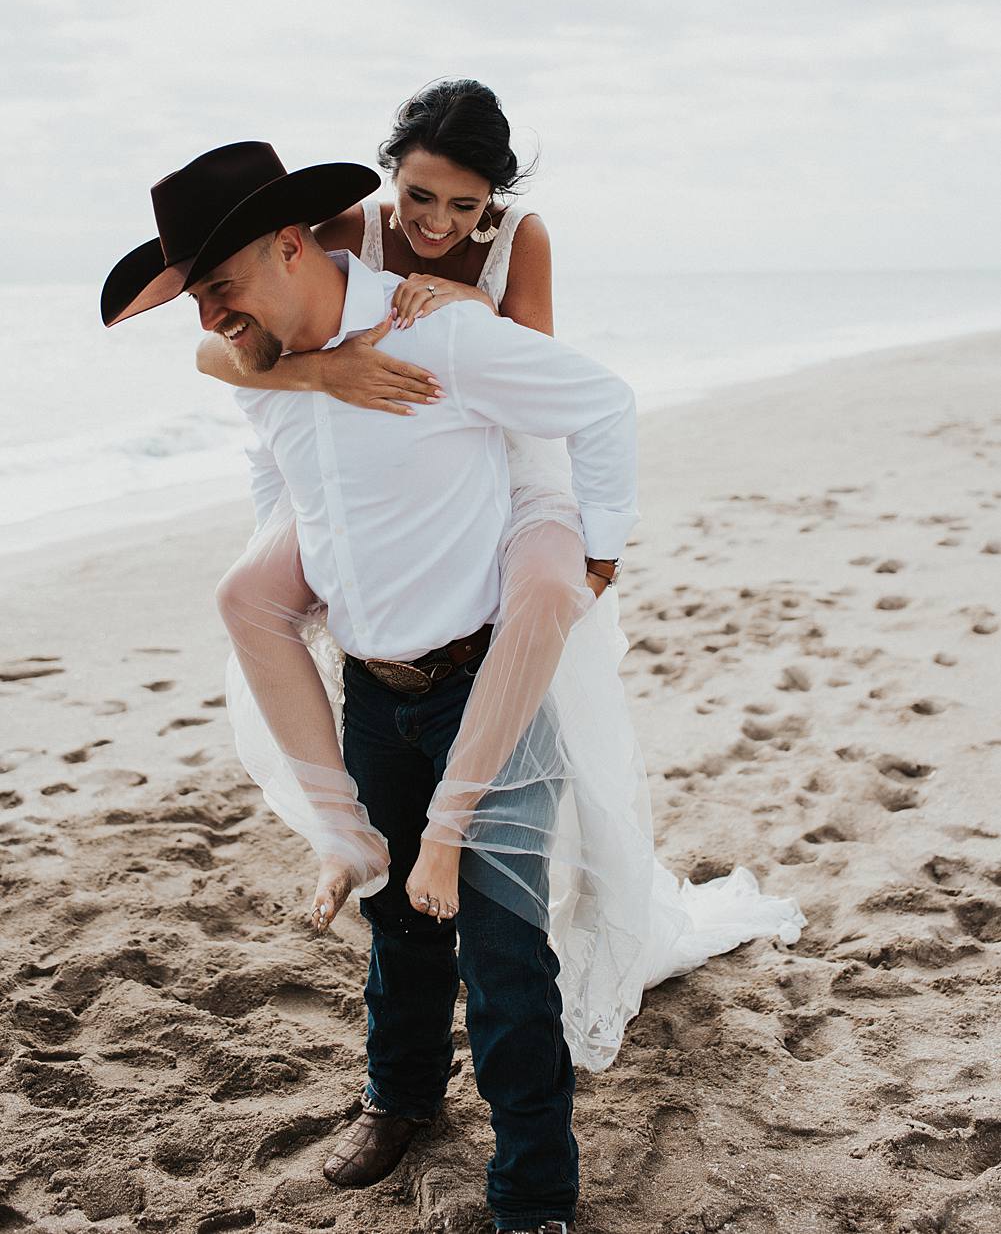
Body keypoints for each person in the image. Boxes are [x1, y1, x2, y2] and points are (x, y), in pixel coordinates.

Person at [194, 82, 805, 1083]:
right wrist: (324, 374)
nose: (435, 225)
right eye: (419, 199)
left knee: (548, 592)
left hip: (508, 458)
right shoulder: (342, 226)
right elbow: (222, 350)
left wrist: (463, 314)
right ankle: (353, 849)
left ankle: (488, 848)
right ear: (389, 177)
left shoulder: (522, 238)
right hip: (385, 464)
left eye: (461, 208)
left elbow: (539, 379)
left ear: (492, 203)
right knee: (249, 596)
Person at [101, 135, 642, 1234]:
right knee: (397, 924)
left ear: (294, 244)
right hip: (372, 693)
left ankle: (533, 1193)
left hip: (482, 685)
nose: (210, 318)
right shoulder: (264, 366)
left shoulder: (435, 330)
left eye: (219, 286)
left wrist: (598, 550)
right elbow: (278, 499)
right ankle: (397, 1102)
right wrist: (301, 372)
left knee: (502, 961)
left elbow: (601, 400)